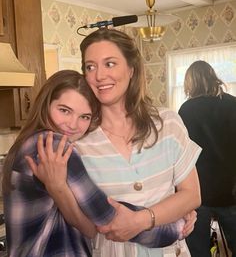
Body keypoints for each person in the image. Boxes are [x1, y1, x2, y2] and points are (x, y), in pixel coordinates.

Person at [3, 70, 193, 257]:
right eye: (64, 110)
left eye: (84, 116)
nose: (73, 124)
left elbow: (89, 225)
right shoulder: (52, 147)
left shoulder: (30, 142)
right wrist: (176, 224)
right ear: (45, 105)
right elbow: (108, 217)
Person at [74, 27, 201, 257]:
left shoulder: (167, 123)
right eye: (90, 67)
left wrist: (141, 220)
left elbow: (192, 195)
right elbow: (81, 220)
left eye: (110, 63)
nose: (99, 75)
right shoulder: (80, 141)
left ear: (131, 69)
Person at [178, 60, 236, 257]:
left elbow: (181, 156)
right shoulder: (233, 104)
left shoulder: (186, 111)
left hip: (197, 193)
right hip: (231, 191)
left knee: (199, 251)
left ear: (190, 83)